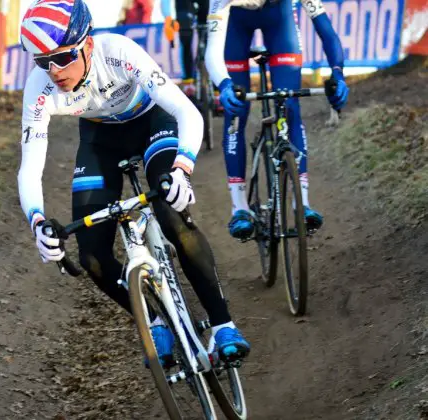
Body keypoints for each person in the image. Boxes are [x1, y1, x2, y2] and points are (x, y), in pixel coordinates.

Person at [18, 0, 249, 366]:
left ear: (87, 44)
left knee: (170, 212)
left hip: (151, 123)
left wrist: (182, 170)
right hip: (100, 141)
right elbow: (30, 166)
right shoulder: (40, 90)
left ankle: (223, 325)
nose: (54, 71)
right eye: (42, 62)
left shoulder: (120, 53)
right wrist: (37, 221)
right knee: (92, 257)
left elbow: (186, 111)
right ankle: (155, 320)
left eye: (62, 58)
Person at [205, 0, 350, 239]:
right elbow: (213, 51)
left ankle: (301, 203)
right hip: (234, 27)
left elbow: (327, 32)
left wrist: (337, 72)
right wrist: (224, 84)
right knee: (235, 112)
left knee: (290, 105)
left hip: (279, 21)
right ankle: (239, 207)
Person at [160, 0, 209, 98]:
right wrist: (168, 17)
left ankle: (217, 91)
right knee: (186, 39)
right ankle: (188, 83)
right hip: (184, 4)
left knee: (210, 39)